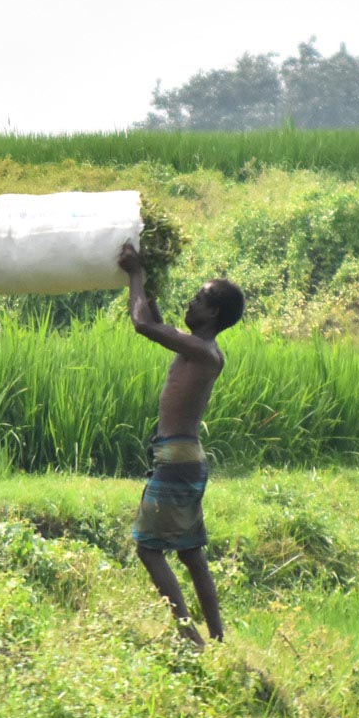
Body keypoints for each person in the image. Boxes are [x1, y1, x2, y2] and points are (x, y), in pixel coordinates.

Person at [117, 242, 246, 647]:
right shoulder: (200, 348)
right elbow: (155, 322)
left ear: (214, 315)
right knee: (191, 553)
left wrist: (136, 274)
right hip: (184, 458)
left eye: (197, 300)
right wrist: (147, 277)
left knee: (148, 549)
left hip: (176, 459)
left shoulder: (204, 351)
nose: (189, 305)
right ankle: (218, 637)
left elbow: (142, 325)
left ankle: (190, 637)